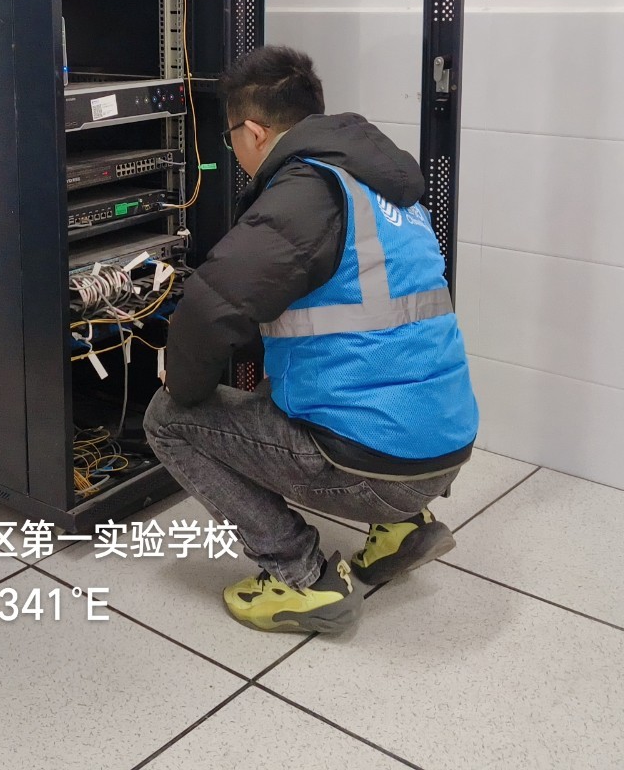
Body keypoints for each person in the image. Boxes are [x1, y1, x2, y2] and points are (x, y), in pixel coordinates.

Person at [145, 45, 478, 635]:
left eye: (231, 140)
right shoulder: (378, 184)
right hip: (442, 445)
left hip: (376, 463)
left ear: (253, 131)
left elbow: (210, 307)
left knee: (167, 419)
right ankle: (403, 530)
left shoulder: (304, 193)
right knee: (280, 388)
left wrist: (184, 381)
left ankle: (300, 577)